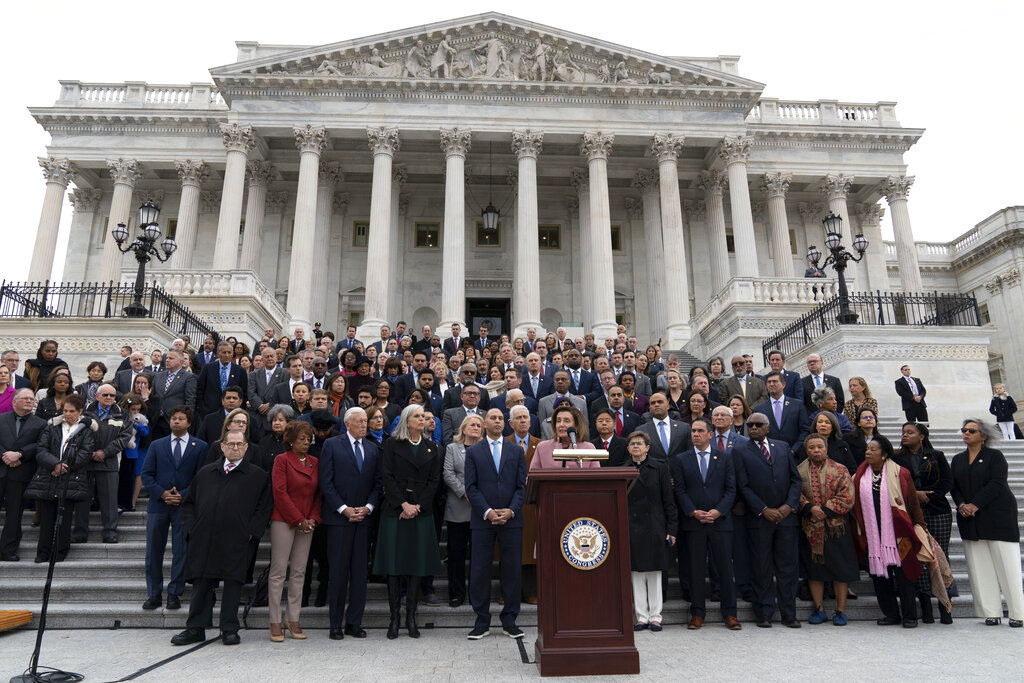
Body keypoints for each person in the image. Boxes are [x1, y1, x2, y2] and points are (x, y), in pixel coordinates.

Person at [171, 429, 272, 646]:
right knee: (201, 583)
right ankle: (195, 628)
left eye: (239, 444)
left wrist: (252, 532)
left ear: (246, 447)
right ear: (222, 446)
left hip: (237, 539)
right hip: (204, 538)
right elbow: (188, 504)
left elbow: (263, 508)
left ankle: (229, 628)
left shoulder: (258, 476)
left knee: (233, 584)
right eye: (231, 444)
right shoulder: (206, 473)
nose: (235, 448)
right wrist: (191, 529)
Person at [373, 404, 443, 639]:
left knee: (416, 566)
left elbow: (434, 481)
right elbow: (387, 476)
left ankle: (411, 617)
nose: (421, 419)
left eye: (423, 416)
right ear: (406, 420)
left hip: (421, 512)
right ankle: (394, 619)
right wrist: (403, 504)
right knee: (394, 566)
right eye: (417, 416)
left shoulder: (433, 448)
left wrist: (417, 506)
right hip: (395, 511)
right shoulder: (392, 444)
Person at [950, 418, 1024, 627]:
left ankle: (1018, 613)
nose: (966, 434)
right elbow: (953, 485)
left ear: (984, 436)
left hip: (998, 516)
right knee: (979, 566)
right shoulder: (958, 459)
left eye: (971, 431)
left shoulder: (995, 456)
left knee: (1007, 566)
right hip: (970, 519)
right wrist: (962, 504)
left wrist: (975, 504)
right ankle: (991, 612)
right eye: (964, 430)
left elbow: (997, 483)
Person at [464, 408, 528, 640]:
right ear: (484, 423)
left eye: (501, 418)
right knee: (480, 570)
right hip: (483, 520)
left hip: (511, 519)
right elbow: (470, 487)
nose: (498, 421)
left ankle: (510, 620)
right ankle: (481, 621)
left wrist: (511, 510)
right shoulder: (473, 452)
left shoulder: (516, 451)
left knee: (511, 570)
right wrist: (489, 512)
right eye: (493, 418)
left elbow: (522, 486)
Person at [734, 412, 802, 628]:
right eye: (750, 425)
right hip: (759, 519)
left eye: (758, 425)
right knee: (761, 567)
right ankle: (763, 613)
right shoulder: (739, 451)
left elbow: (795, 480)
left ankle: (789, 613)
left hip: (786, 518)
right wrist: (763, 509)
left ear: (768, 428)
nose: (753, 428)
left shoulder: (782, 447)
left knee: (787, 567)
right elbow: (742, 486)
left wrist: (788, 506)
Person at [319, 406, 382, 640]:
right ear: (347, 424)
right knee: (338, 573)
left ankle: (354, 622)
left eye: (366, 421)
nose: (365, 425)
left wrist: (368, 507)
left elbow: (378, 483)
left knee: (358, 574)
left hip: (364, 520)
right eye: (360, 421)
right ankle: (335, 623)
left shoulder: (373, 448)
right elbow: (326, 482)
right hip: (339, 521)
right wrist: (344, 509)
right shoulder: (332, 445)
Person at [670, 418, 739, 630]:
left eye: (700, 431)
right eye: (693, 431)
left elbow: (731, 490)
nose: (695, 434)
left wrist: (718, 511)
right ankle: (698, 613)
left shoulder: (725, 458)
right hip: (694, 523)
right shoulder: (681, 460)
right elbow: (679, 490)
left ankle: (730, 614)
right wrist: (693, 512)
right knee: (695, 569)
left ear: (710, 434)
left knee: (725, 569)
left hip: (720, 522)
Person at [851, 435, 926, 628]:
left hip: (898, 534)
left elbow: (912, 503)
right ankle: (891, 614)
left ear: (884, 454)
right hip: (873, 535)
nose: (868, 452)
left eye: (873, 449)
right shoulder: (859, 475)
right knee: (879, 577)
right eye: (867, 449)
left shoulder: (900, 473)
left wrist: (920, 525)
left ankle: (910, 616)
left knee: (904, 577)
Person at [140, 406, 208, 611]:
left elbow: (201, 476)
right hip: (158, 505)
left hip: (184, 506)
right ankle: (154, 594)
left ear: (189, 422)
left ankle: (174, 593)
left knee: (181, 550)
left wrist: (183, 494)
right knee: (154, 550)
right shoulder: (156, 445)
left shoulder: (200, 446)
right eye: (173, 418)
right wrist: (162, 493)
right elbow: (147, 474)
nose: (176, 421)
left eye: (181, 419)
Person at [894, 422, 955, 624]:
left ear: (921, 436)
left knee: (939, 555)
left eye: (910, 432)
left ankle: (945, 606)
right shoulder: (897, 457)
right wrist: (914, 495)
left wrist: (929, 496)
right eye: (903, 432)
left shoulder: (937, 455)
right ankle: (926, 608)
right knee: (918, 555)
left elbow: (947, 481)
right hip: (911, 513)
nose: (905, 435)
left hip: (937, 510)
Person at [797, 433, 858, 627]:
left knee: (840, 569)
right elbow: (794, 493)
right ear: (806, 450)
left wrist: (824, 510)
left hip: (836, 527)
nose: (816, 450)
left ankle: (840, 610)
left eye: (819, 447)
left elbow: (848, 495)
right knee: (815, 570)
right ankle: (819, 608)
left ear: (826, 449)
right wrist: (808, 507)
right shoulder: (798, 470)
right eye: (812, 447)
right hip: (810, 526)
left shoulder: (840, 469)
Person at [268, 421, 321, 642]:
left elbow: (319, 493)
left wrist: (313, 519)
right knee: (279, 572)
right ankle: (274, 621)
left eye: (309, 439)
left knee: (299, 572)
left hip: (307, 522)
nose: (306, 442)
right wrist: (298, 519)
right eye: (302, 438)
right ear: (290, 440)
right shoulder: (281, 460)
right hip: (284, 520)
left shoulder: (314, 462)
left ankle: (293, 618)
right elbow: (279, 493)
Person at [26, 393, 94, 563]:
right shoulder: (52, 427)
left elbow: (85, 454)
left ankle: (60, 552)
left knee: (64, 518)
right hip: (49, 476)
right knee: (47, 517)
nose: (68, 414)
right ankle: (43, 552)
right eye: (65, 410)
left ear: (80, 411)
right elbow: (41, 449)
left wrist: (65, 467)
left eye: (72, 411)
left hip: (71, 479)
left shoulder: (86, 431)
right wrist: (55, 464)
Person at [621, 430, 676, 631]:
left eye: (639, 443)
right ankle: (641, 617)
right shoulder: (623, 469)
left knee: (654, 573)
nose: (636, 446)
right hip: (631, 527)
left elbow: (668, 501)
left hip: (655, 526)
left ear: (647, 448)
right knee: (635, 573)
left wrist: (672, 529)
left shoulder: (659, 468)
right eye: (632, 444)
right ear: (628, 448)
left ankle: (655, 616)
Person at [73, 382, 132, 544]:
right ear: (97, 396)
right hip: (85, 461)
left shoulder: (123, 414)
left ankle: (110, 532)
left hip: (110, 462)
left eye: (112, 395)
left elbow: (125, 437)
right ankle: (80, 532)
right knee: (82, 499)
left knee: (110, 500)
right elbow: (77, 434)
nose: (109, 398)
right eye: (105, 395)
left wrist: (104, 452)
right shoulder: (84, 413)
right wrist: (89, 452)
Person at [444, 413, 485, 608]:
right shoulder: (452, 448)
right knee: (457, 554)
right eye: (473, 425)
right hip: (458, 508)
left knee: (478, 556)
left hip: (480, 510)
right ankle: (456, 593)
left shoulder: (486, 449)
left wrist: (477, 495)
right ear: (464, 428)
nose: (476, 428)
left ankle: (476, 594)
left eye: (479, 425)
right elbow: (448, 473)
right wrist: (464, 491)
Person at [0, 388, 47, 561]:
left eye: (31, 399)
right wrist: (5, 456)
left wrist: (19, 453)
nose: (29, 401)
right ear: (14, 401)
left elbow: (40, 444)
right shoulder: (1, 419)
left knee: (14, 514)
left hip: (20, 474)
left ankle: (8, 550)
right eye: (25, 398)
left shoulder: (41, 423)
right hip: (1, 468)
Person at [753, 371, 810, 456]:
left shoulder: (797, 405)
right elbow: (758, 433)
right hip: (770, 456)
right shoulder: (759, 409)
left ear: (783, 385)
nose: (771, 384)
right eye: (769, 382)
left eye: (775, 381)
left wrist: (794, 450)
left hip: (795, 456)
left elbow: (805, 430)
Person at [531, 403, 599, 470]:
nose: (561, 424)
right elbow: (532, 476)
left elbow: (597, 477)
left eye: (566, 421)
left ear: (577, 425)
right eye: (558, 421)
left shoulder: (589, 448)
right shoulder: (542, 447)